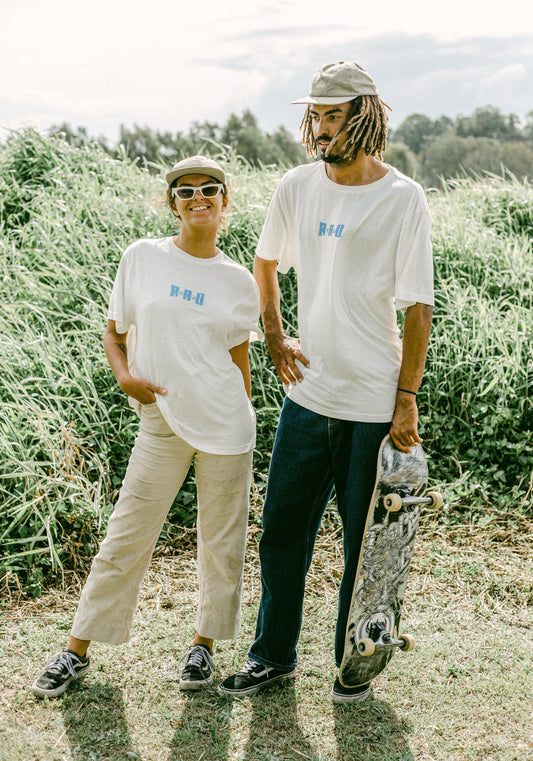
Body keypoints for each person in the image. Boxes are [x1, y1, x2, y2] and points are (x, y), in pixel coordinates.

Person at [218, 61, 434, 703]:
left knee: (364, 549)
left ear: (363, 115)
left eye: (332, 115)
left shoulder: (403, 198)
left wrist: (406, 397)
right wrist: (276, 335)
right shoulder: (295, 186)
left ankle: (352, 666)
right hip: (307, 399)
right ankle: (271, 658)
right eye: (314, 115)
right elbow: (264, 262)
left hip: (372, 401)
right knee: (283, 533)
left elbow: (418, 306)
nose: (319, 127)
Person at [32, 155, 261, 698]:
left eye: (210, 189)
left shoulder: (238, 280)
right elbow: (114, 333)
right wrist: (125, 378)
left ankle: (203, 648)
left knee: (221, 543)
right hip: (160, 422)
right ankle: (76, 649)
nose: (198, 198)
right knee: (127, 533)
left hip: (225, 426)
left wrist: (243, 416)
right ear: (172, 202)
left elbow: (238, 357)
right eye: (186, 191)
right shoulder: (142, 258)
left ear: (225, 201)